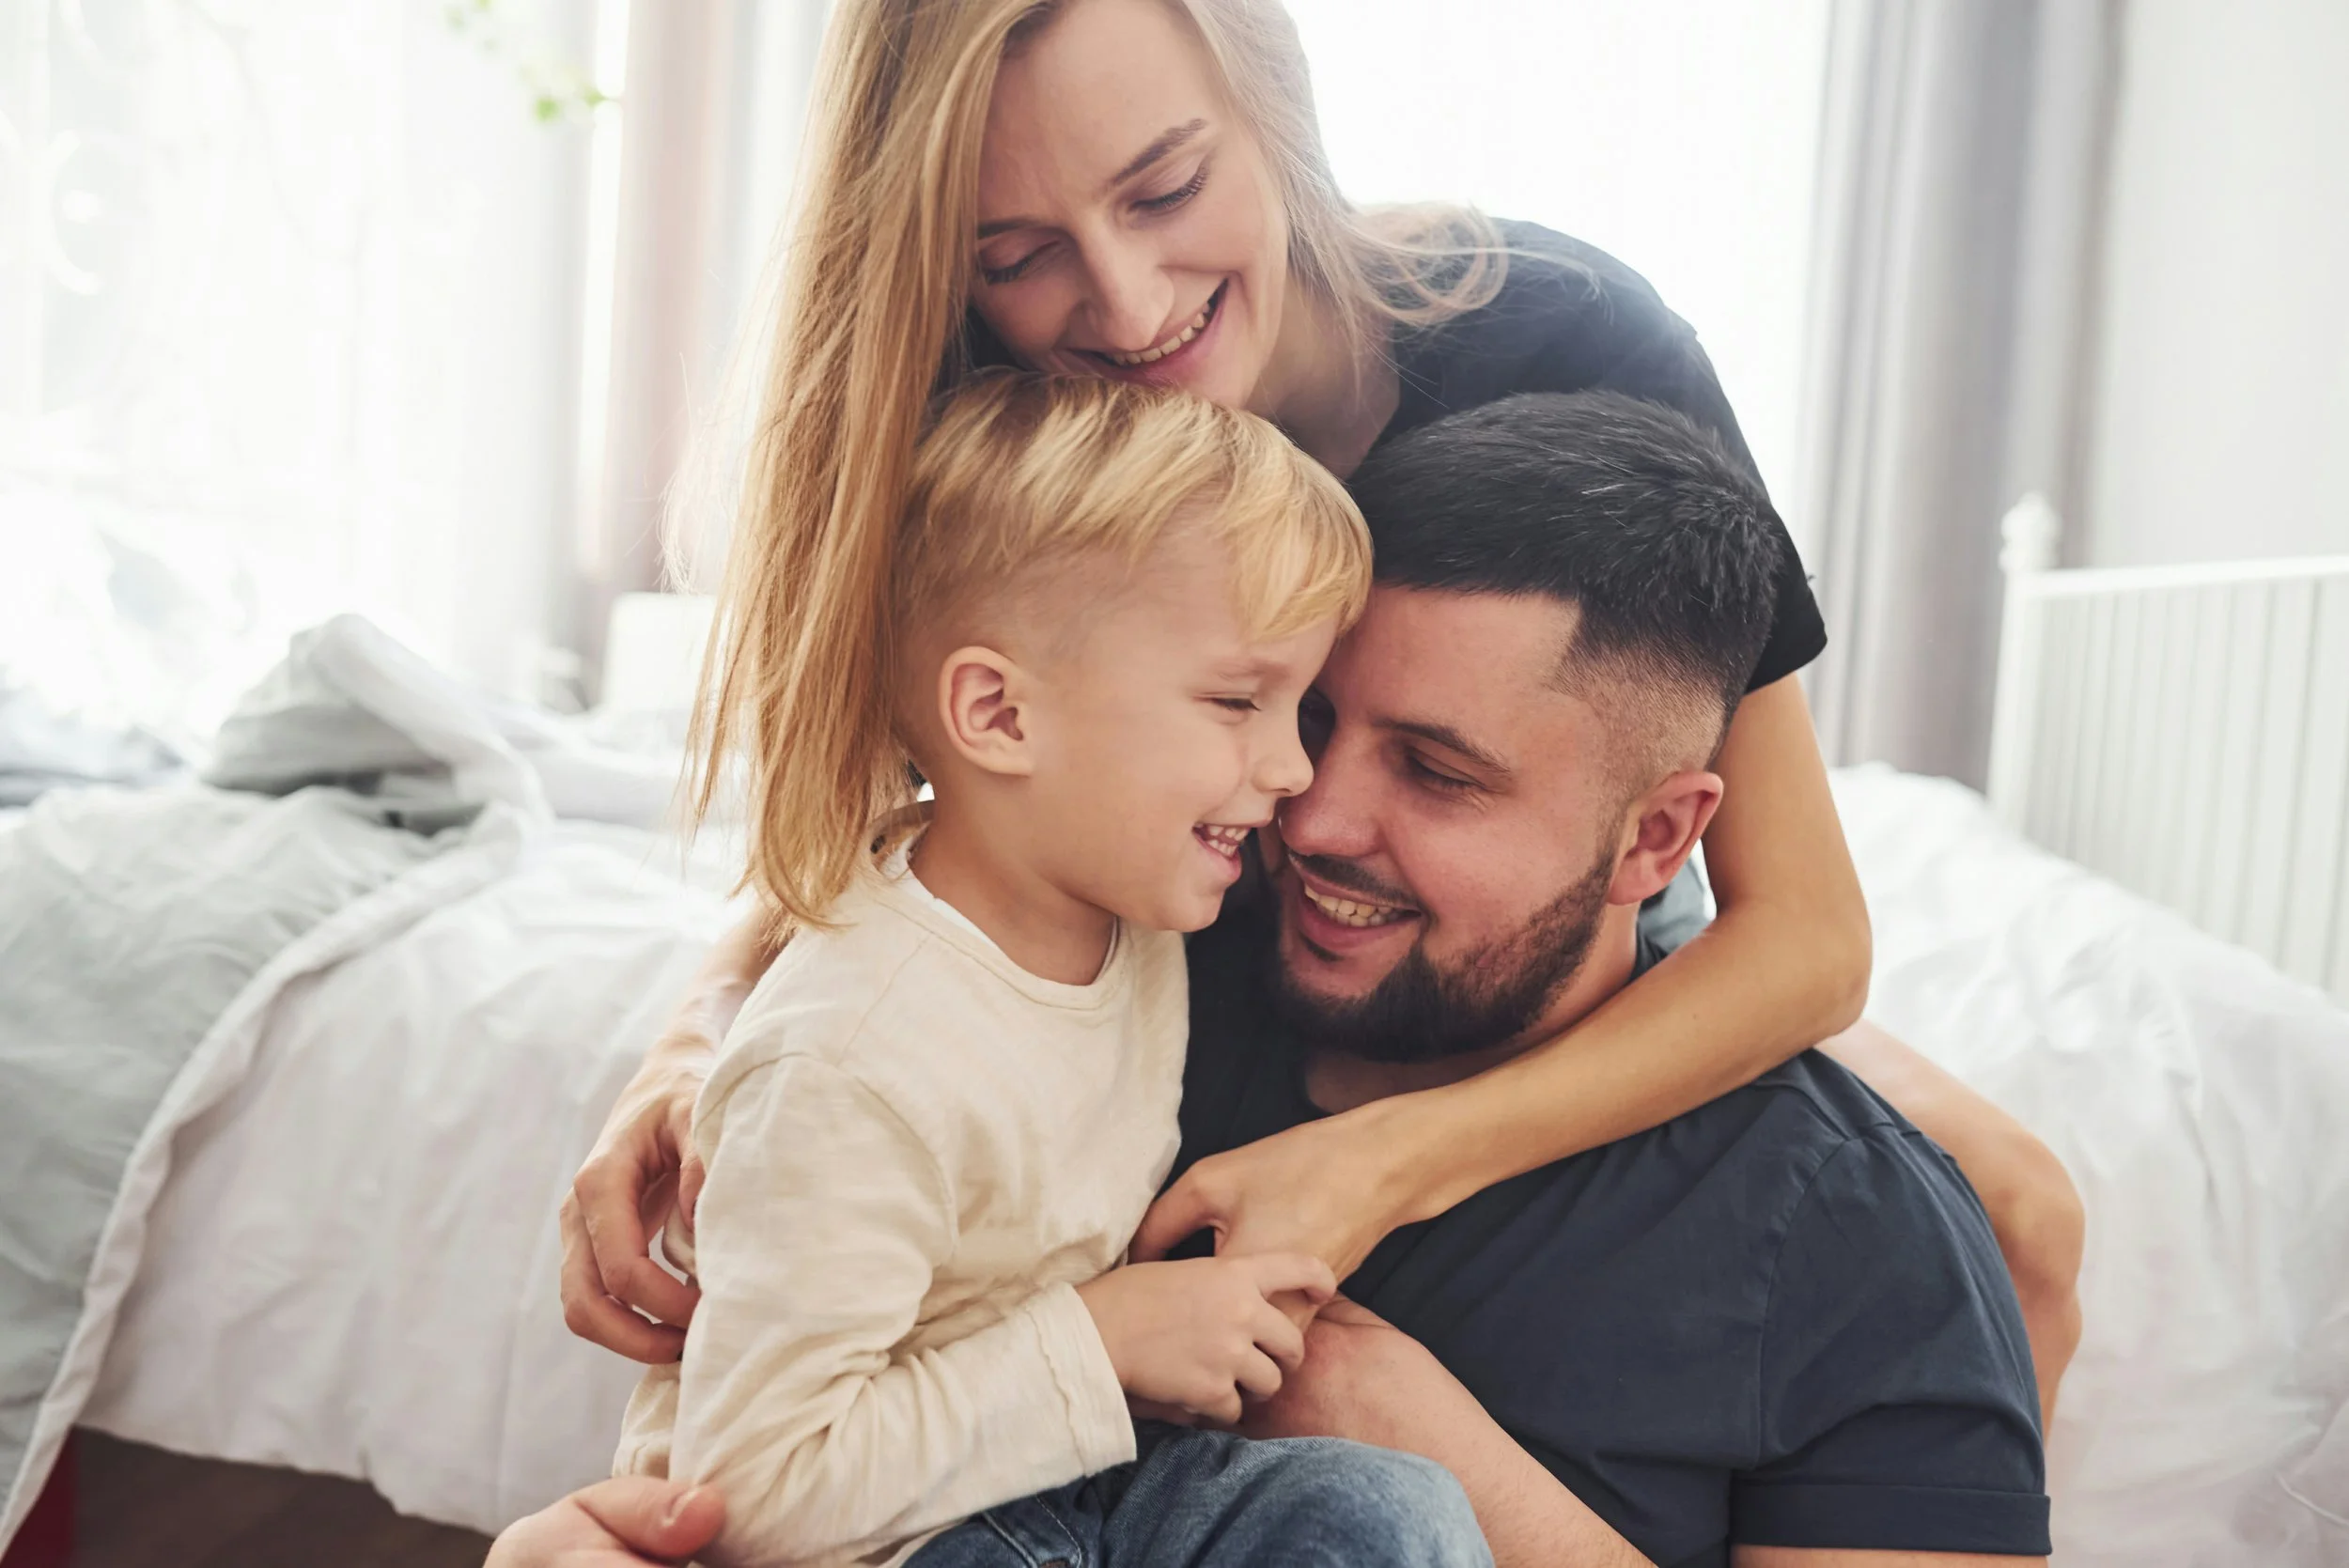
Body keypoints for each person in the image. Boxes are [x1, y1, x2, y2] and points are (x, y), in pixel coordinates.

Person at [560, 0, 2081, 1421]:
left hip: (1514, 948)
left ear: (1266, 99)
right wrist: (690, 1042)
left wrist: (1383, 1163)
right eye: (1018, 251)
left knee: (2017, 1212)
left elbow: (1808, 932)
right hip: (1166, 951)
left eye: (1164, 188)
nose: (1127, 298)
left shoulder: (1566, 344)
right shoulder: (987, 414)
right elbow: (908, 814)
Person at [500, 391, 2050, 1568]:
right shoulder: (1144, 928)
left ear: (1657, 837)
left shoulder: (1856, 1240)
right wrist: (688, 1040)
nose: (1305, 803)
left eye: (1434, 772)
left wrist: (1440, 1459)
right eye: (1289, 707)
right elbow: (901, 886)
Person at [610, 372, 1527, 1568]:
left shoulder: (1126, 896)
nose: (1293, 771)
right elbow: (751, 1492)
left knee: (1385, 1516)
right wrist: (1096, 1347)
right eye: (1238, 700)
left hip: (1073, 1474)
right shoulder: (849, 1061)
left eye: (1295, 705)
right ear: (998, 713)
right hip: (881, 1536)